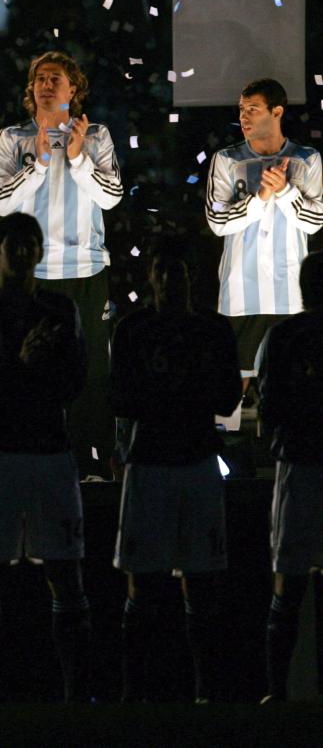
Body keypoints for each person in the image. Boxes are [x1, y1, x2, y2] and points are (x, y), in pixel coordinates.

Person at [0, 213, 90, 702]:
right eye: (15, 244)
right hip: (0, 451)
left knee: (64, 571)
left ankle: (76, 693)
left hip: (49, 450)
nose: (24, 252)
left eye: (31, 243)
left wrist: (22, 372)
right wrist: (22, 364)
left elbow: (75, 382)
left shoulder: (60, 309)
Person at [109, 244, 239, 703]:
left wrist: (165, 392)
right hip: (159, 463)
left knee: (196, 583)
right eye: (163, 273)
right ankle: (143, 690)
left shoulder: (201, 329)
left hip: (183, 462)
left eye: (176, 272)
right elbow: (120, 399)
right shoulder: (137, 330)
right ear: (152, 280)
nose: (169, 282)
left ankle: (184, 691)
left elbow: (226, 399)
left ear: (188, 278)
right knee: (149, 585)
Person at [0, 52, 123, 477]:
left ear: (73, 89)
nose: (46, 84)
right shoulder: (12, 137)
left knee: (91, 373)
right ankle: (33, 459)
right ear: (31, 90)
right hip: (35, 275)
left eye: (56, 78)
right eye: (40, 78)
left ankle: (93, 467)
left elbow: (112, 196)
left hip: (87, 271)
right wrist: (40, 162)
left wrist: (79, 158)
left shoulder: (95, 134)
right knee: (30, 370)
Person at [205, 79, 322, 387]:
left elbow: (314, 222)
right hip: (241, 291)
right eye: (242, 109)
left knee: (289, 381)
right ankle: (227, 433)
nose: (244, 116)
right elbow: (218, 223)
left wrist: (284, 191)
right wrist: (260, 199)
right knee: (234, 381)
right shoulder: (226, 160)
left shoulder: (307, 158)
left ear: (277, 111)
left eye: (253, 109)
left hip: (289, 295)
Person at [257, 251, 323, 703]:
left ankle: (276, 693)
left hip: (298, 466)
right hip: (299, 462)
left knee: (288, 584)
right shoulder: (281, 336)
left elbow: (268, 407)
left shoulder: (281, 336)